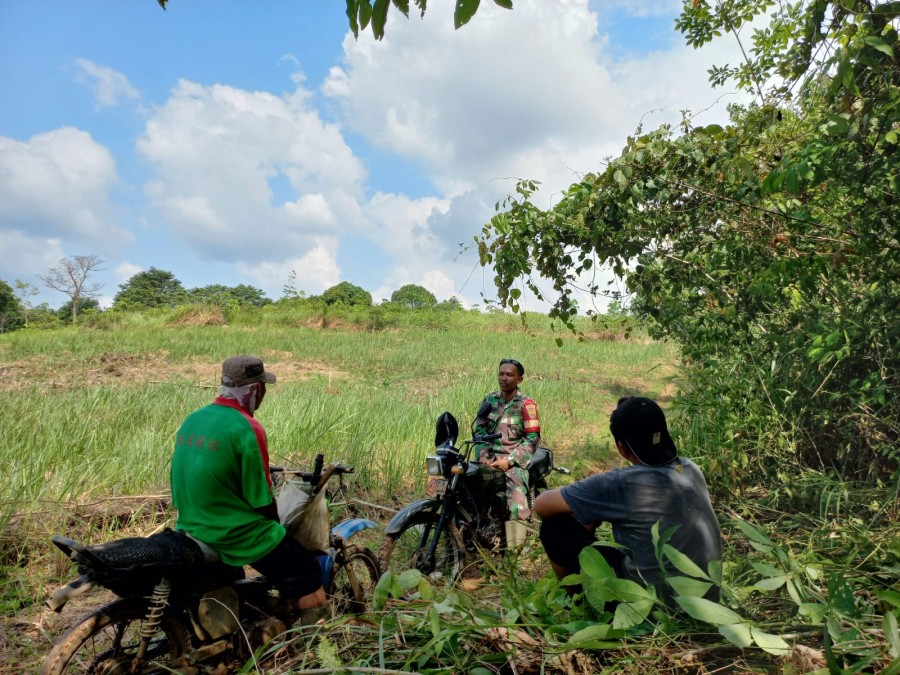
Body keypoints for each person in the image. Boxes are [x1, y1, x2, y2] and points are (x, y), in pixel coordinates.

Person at [170, 355, 328, 623]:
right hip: (232, 533)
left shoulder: (194, 420)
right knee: (305, 569)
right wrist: (278, 528)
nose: (264, 394)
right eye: (264, 387)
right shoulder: (247, 427)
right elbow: (261, 500)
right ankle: (315, 648)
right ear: (255, 390)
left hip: (190, 524)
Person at [534, 396, 721, 605]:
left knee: (554, 527)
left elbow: (541, 505)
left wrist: (587, 506)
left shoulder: (620, 483)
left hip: (648, 608)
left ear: (621, 447)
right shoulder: (690, 468)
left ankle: (579, 604)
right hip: (704, 603)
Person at [474, 358, 541, 545]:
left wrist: (510, 461)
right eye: (501, 374)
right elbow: (479, 431)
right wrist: (483, 455)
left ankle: (517, 555)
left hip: (513, 460)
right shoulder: (489, 400)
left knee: (517, 502)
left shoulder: (526, 404)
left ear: (519, 379)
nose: (504, 378)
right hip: (489, 458)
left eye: (509, 375)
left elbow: (532, 438)